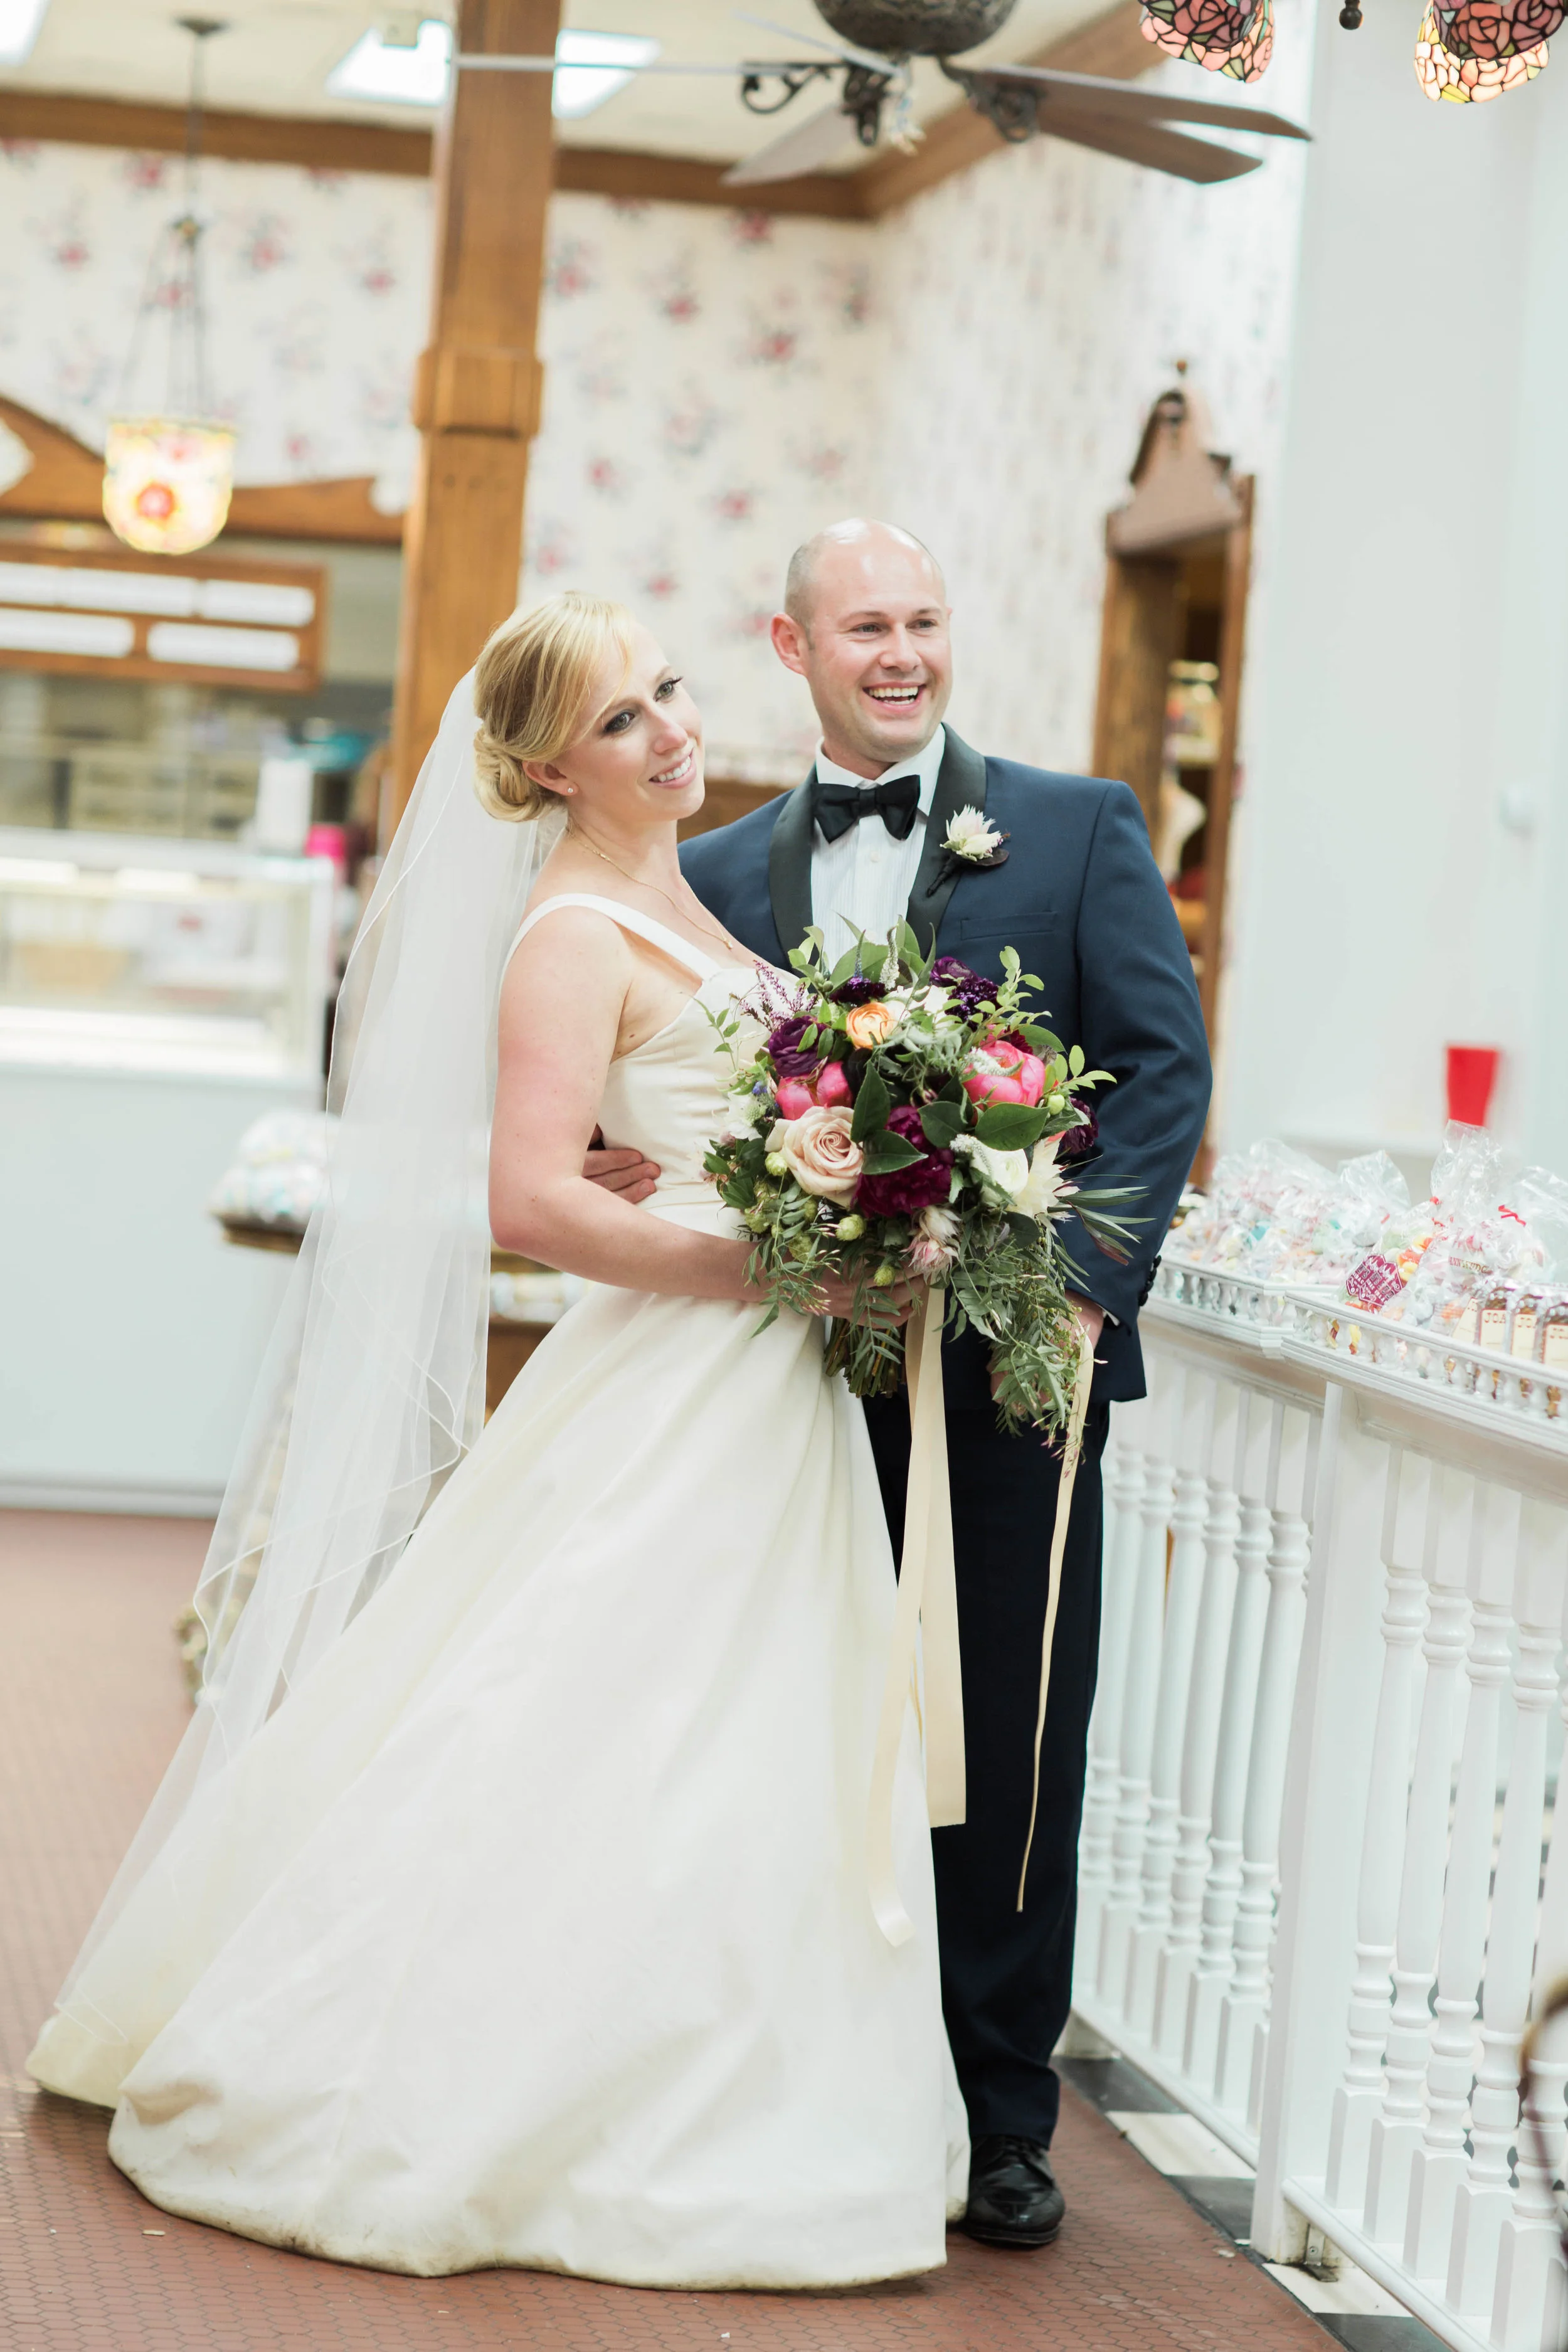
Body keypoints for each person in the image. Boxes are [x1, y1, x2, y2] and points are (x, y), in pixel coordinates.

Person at [26, 593, 965, 2287]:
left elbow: (665, 1132)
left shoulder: (680, 899)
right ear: (544, 770)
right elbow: (527, 1198)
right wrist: (773, 1266)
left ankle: (713, 2075)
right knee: (602, 1713)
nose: (668, 731)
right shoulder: (570, 932)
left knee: (735, 1731)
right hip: (689, 1369)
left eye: (665, 692)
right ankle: (472, 2079)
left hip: (763, 1384)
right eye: (619, 721)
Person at [659, 519, 1212, 2250]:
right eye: (864, 627)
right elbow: (681, 1093)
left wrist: (1083, 1289)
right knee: (783, 1713)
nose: (901, 653)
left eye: (923, 621)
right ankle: (789, 2073)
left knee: (1011, 1734)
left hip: (1015, 1374)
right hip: (783, 1376)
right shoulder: (713, 870)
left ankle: (998, 2117)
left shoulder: (1075, 825)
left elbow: (1158, 1068)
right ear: (792, 646)